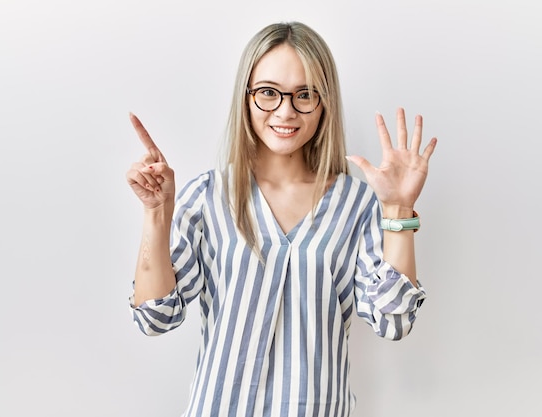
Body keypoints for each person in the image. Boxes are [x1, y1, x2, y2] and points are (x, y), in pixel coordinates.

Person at [126, 21, 437, 417]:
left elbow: (392, 320)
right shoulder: (208, 196)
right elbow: (155, 317)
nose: (286, 111)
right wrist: (156, 214)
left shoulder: (357, 204)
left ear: (324, 103)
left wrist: (397, 211)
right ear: (246, 97)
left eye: (304, 94)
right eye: (269, 93)